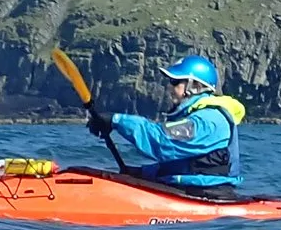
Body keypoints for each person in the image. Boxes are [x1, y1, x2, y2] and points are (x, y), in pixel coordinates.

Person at [85, 52, 246, 189]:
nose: (169, 87)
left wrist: (116, 120)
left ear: (195, 86)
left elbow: (163, 142)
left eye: (175, 82)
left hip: (207, 196)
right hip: (186, 190)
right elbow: (180, 164)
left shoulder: (210, 120)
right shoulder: (195, 117)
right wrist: (140, 173)